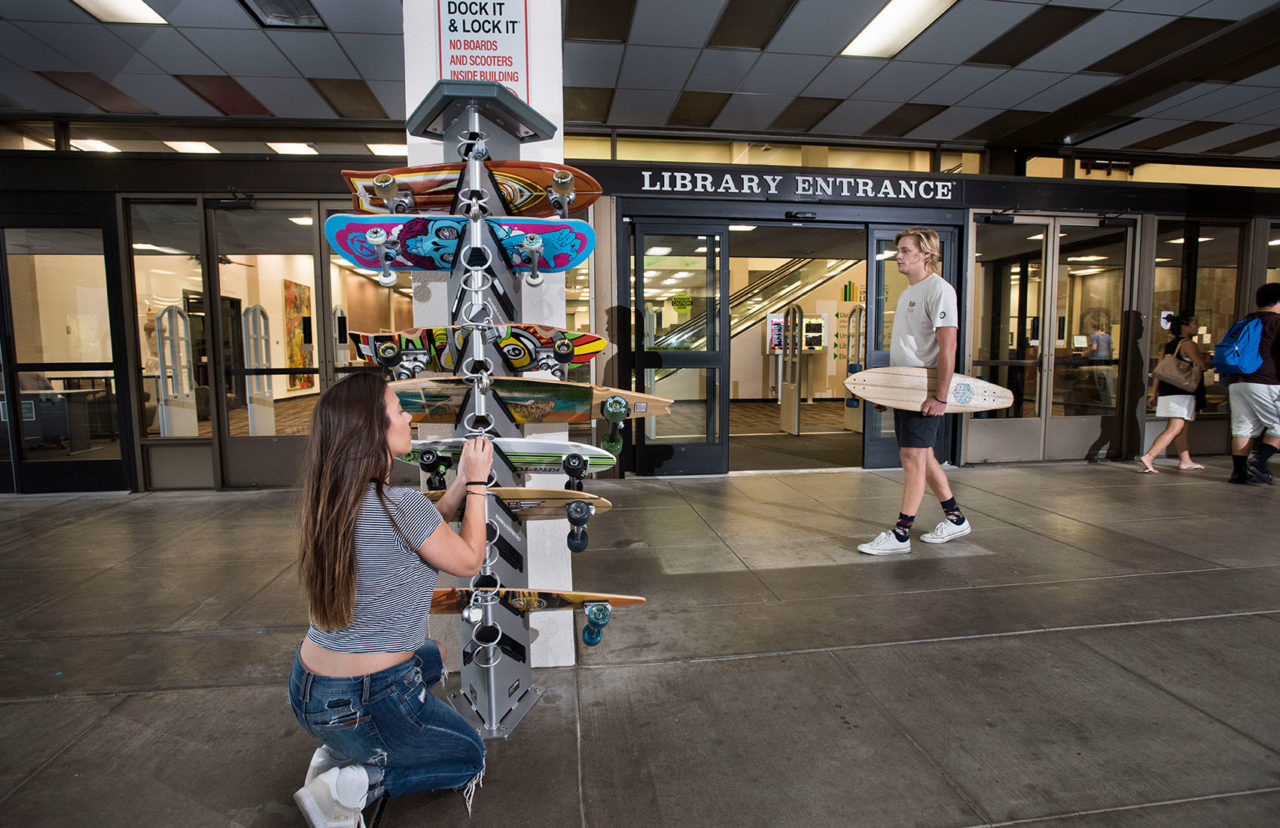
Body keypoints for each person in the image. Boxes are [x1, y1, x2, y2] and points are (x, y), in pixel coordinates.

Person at [288, 372, 492, 827]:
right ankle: (355, 780)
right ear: (372, 431)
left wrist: (457, 482)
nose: (410, 416)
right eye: (399, 410)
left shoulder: (333, 503)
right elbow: (468, 559)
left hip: (307, 688)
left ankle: (338, 754)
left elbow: (425, 529)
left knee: (431, 656)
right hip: (362, 700)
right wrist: (478, 484)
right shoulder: (400, 504)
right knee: (468, 757)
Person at [858, 227, 969, 555]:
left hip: (925, 389)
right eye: (899, 250)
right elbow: (907, 349)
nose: (899, 256)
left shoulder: (940, 290)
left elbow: (948, 348)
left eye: (906, 250)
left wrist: (941, 397)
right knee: (924, 455)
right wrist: (888, 393)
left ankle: (901, 534)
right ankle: (955, 519)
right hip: (906, 389)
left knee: (912, 457)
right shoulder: (909, 291)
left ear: (926, 254)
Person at [1137, 314, 1210, 473]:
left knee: (1181, 428)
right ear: (1185, 327)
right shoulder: (1188, 344)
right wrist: (1207, 358)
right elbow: (1202, 366)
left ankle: (1185, 460)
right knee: (1176, 427)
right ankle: (1150, 455)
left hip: (1167, 390)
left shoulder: (1168, 345)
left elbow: (1159, 372)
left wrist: (1153, 394)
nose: (1196, 326)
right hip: (1181, 391)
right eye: (1194, 323)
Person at [1226, 282, 1280, 485]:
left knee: (1243, 426)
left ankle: (1239, 473)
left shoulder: (1245, 321)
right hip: (1265, 381)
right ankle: (1259, 461)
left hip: (1237, 381)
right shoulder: (1277, 322)